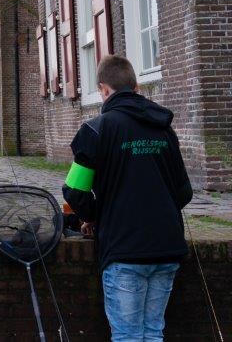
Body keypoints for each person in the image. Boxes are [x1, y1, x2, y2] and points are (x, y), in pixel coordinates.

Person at [62, 55, 193, 341]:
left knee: (127, 336)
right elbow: (184, 192)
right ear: (136, 87)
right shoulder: (164, 128)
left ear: (103, 89)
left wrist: (94, 216)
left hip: (124, 251)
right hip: (167, 248)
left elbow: (74, 191)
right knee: (153, 333)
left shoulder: (95, 130)